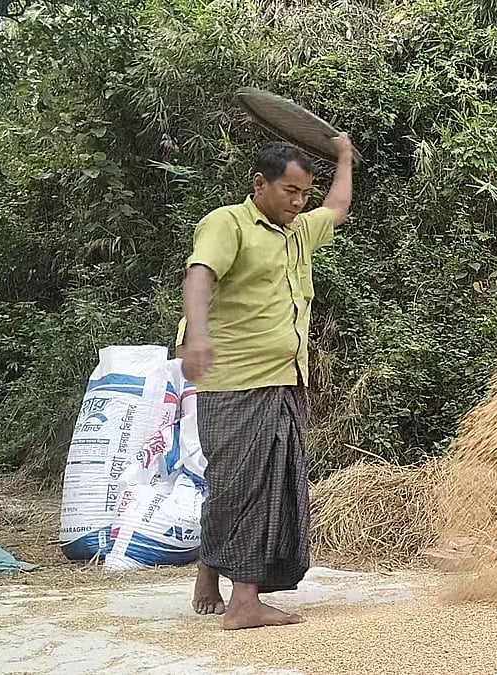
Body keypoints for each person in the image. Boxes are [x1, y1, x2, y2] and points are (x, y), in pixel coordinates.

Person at [176, 134, 353, 630]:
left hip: (283, 379)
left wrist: (343, 156)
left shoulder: (298, 229)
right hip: (235, 380)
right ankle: (245, 603)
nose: (298, 202)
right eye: (289, 192)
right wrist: (197, 337)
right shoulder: (227, 223)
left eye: (303, 194)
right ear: (260, 184)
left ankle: (210, 576)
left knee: (242, 485)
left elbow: (336, 206)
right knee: (245, 487)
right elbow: (199, 276)